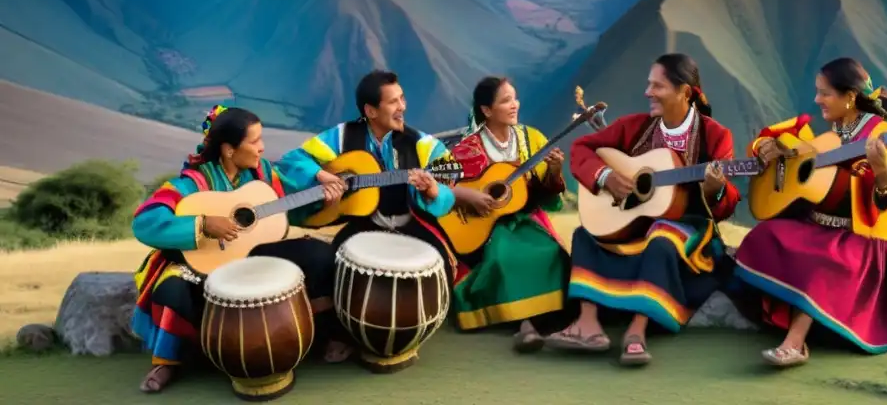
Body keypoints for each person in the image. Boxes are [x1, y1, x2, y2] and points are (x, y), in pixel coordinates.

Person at [733, 57, 887, 367]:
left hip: (858, 238)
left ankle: (795, 344)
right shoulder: (835, 130)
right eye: (817, 92)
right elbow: (796, 148)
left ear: (850, 97)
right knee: (764, 235)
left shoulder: (883, 134)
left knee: (822, 265)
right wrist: (777, 148)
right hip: (817, 226)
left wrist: (884, 173)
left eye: (825, 93)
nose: (817, 100)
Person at [131, 106, 348, 394]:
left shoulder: (264, 176)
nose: (262, 148)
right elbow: (144, 221)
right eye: (254, 141)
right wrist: (203, 224)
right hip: (205, 264)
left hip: (251, 253)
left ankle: (320, 335)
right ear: (229, 150)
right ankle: (168, 362)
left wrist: (324, 199)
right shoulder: (191, 184)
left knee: (319, 256)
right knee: (171, 287)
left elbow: (293, 209)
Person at [545, 53, 740, 366]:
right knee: (585, 234)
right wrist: (605, 176)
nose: (648, 92)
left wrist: (714, 191)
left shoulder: (715, 135)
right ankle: (587, 324)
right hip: (634, 223)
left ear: (684, 92)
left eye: (657, 86)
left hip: (688, 229)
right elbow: (582, 148)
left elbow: (725, 205)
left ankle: (637, 330)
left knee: (662, 240)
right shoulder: (634, 127)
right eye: (649, 85)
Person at [273, 69, 462, 359]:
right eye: (393, 102)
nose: (402, 107)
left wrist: (433, 192)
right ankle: (342, 332)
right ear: (370, 111)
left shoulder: (423, 145)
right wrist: (321, 174)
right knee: (333, 269)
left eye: (402, 98)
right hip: (363, 225)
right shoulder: (341, 136)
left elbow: (449, 191)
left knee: (438, 268)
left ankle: (406, 332)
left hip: (413, 226)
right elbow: (292, 161)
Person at [447, 76, 572, 351]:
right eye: (505, 101)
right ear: (487, 110)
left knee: (552, 254)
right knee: (504, 256)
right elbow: (440, 186)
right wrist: (468, 195)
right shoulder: (468, 149)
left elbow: (547, 196)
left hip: (527, 221)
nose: (514, 105)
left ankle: (540, 320)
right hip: (487, 229)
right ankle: (527, 324)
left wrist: (554, 170)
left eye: (514, 98)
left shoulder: (532, 138)